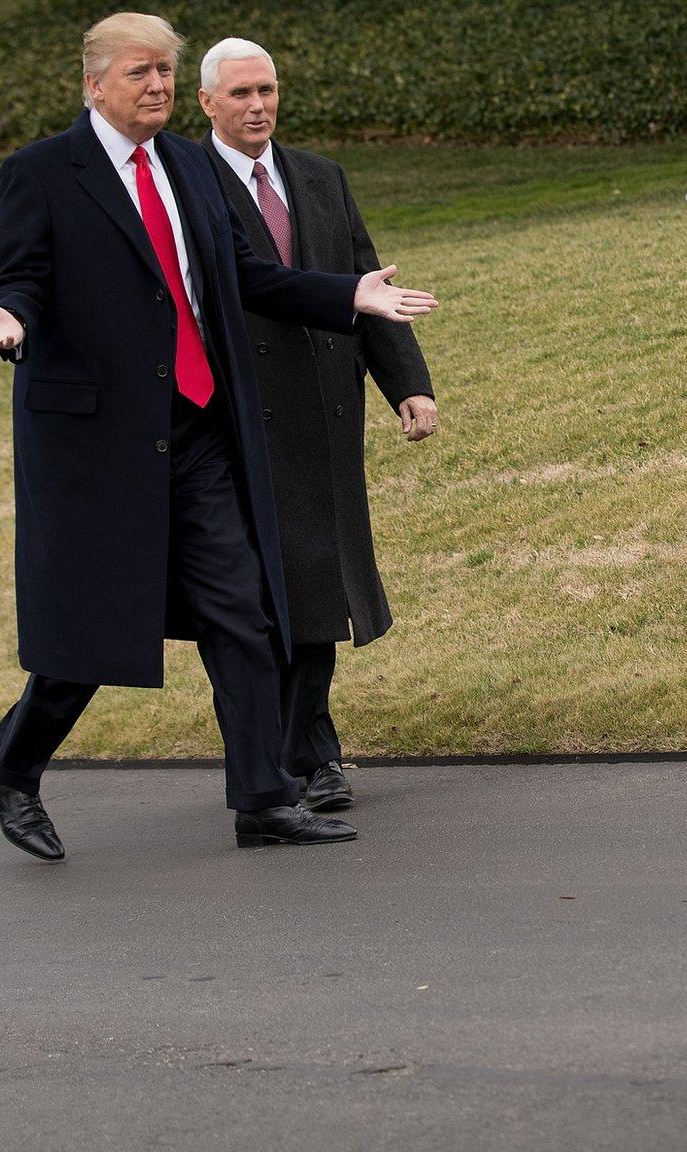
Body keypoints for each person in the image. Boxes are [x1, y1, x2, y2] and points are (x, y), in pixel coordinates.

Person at [0, 12, 438, 859]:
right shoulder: (41, 173)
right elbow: (21, 279)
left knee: (243, 615)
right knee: (88, 641)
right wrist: (13, 325)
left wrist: (344, 298)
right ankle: (15, 769)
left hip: (200, 431)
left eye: (166, 73)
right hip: (101, 447)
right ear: (93, 83)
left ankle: (263, 802)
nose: (157, 87)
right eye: (140, 73)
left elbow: (244, 275)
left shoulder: (186, 165)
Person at [197, 37, 437, 813]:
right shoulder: (186, 185)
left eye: (266, 89)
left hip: (325, 416)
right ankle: (283, 759)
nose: (257, 105)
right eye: (239, 94)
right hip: (237, 424)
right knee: (263, 601)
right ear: (207, 103)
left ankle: (309, 755)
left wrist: (408, 383)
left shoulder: (321, 178)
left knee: (320, 591)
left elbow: (368, 282)